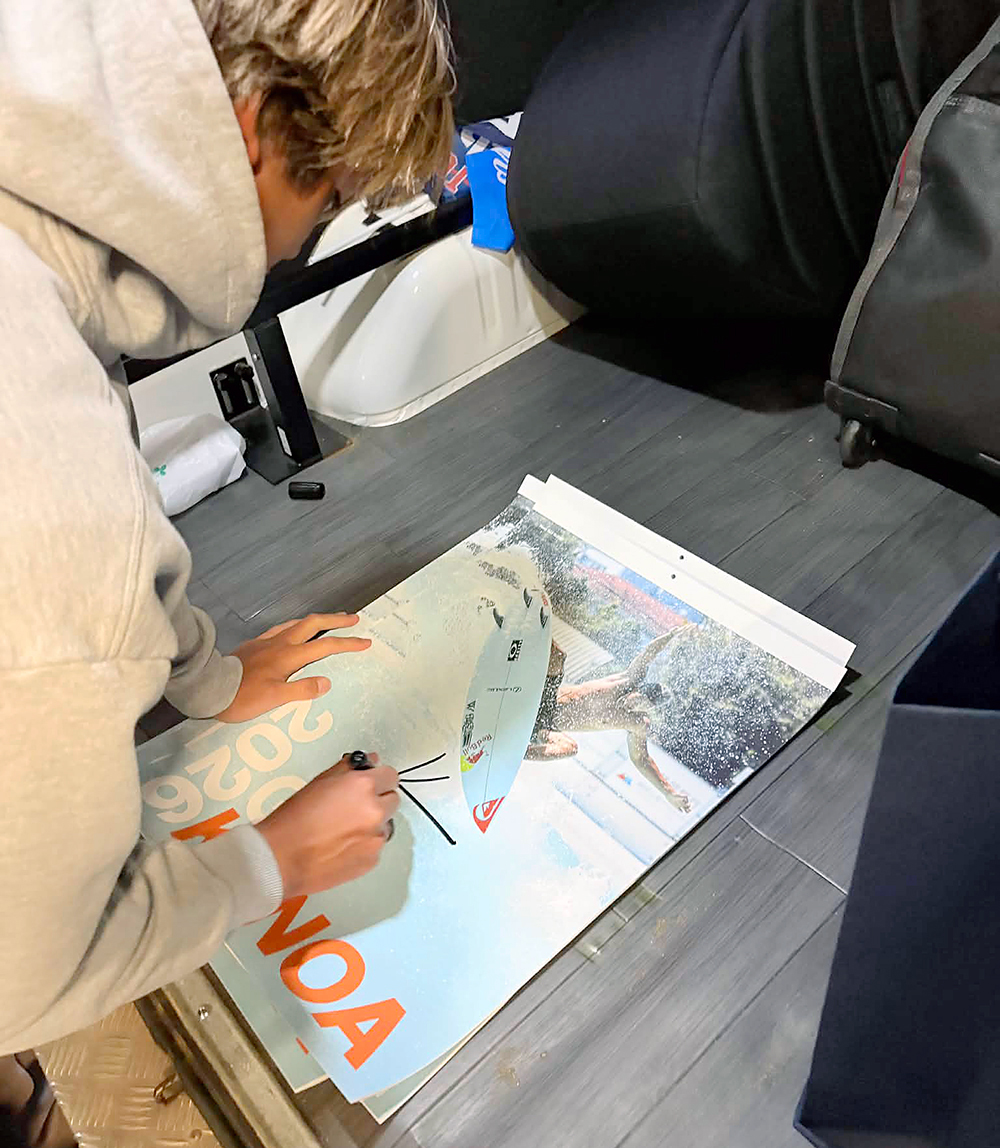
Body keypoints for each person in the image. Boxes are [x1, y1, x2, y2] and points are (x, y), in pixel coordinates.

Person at [0, 0, 454, 1135]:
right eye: (328, 201)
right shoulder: (50, 503)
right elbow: (26, 981)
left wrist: (203, 672)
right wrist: (276, 859)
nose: (300, 247)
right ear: (252, 129)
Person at [527, 629, 694, 812]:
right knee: (559, 656)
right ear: (639, 689)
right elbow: (648, 653)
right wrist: (670, 636)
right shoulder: (628, 678)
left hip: (546, 726)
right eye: (635, 698)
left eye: (639, 705)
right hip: (548, 694)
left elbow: (642, 759)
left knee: (570, 748)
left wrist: (669, 792)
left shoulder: (637, 723)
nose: (631, 704)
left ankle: (520, 754)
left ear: (647, 709)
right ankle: (530, 623)